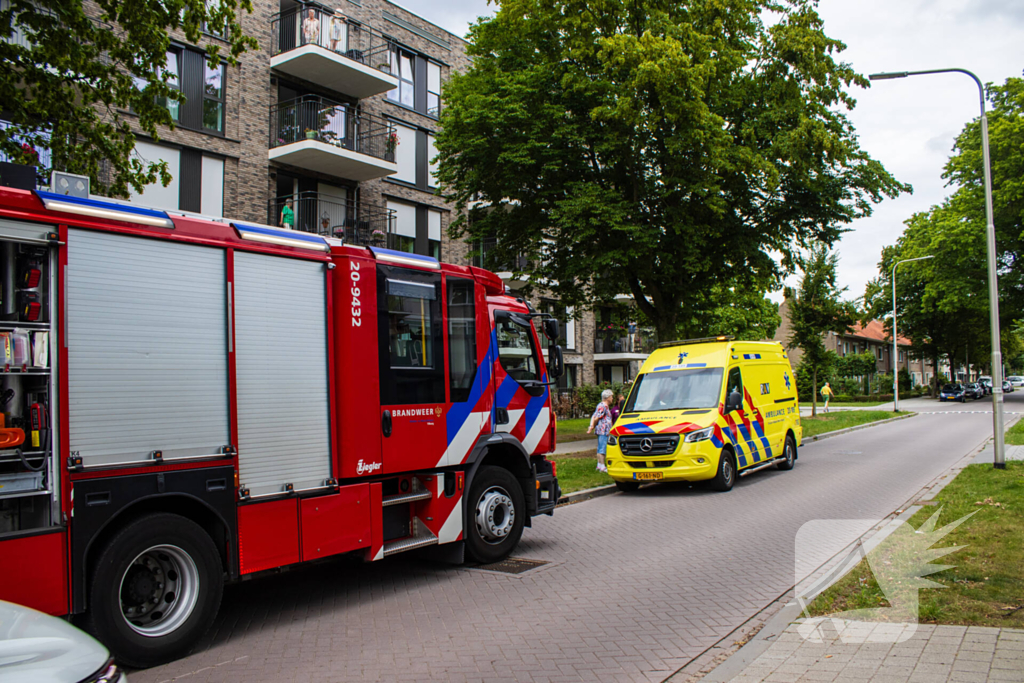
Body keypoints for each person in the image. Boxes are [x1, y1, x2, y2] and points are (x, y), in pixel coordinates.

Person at [586, 389, 614, 473]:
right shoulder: (603, 406)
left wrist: (591, 426)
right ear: (607, 397)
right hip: (603, 431)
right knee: (602, 448)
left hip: (604, 430)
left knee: (600, 447)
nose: (612, 398)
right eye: (611, 396)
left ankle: (599, 465)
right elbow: (597, 417)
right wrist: (592, 426)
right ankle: (602, 466)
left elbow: (594, 416)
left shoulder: (602, 406)